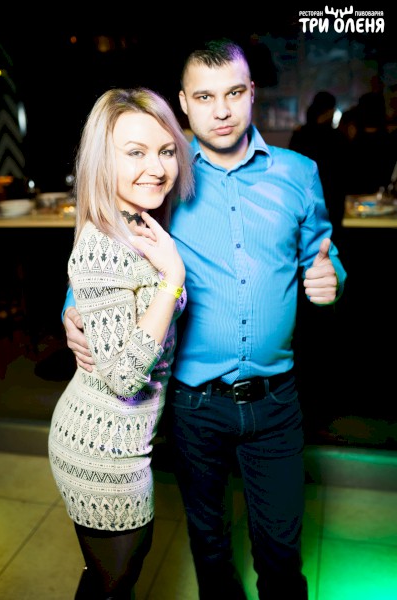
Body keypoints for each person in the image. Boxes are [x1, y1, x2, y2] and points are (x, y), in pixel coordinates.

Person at [63, 39, 347, 600]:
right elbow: (109, 248)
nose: (221, 111)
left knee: (281, 554)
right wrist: (72, 309)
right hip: (194, 404)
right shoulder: (164, 174)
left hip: (276, 401)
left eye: (234, 93)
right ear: (183, 103)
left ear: (252, 94)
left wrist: (332, 276)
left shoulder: (299, 173)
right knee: (210, 546)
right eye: (204, 97)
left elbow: (322, 250)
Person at [49, 86, 194, 599]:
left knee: (112, 581)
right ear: (102, 161)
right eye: (135, 152)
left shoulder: (138, 224)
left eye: (166, 151)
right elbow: (125, 378)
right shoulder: (104, 244)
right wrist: (172, 279)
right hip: (102, 447)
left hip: (126, 440)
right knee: (113, 585)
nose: (156, 167)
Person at [289, 90, 350, 244]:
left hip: (305, 199)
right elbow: (346, 171)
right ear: (330, 111)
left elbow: (292, 169)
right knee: (333, 244)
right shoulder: (337, 137)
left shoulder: (300, 135)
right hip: (333, 200)